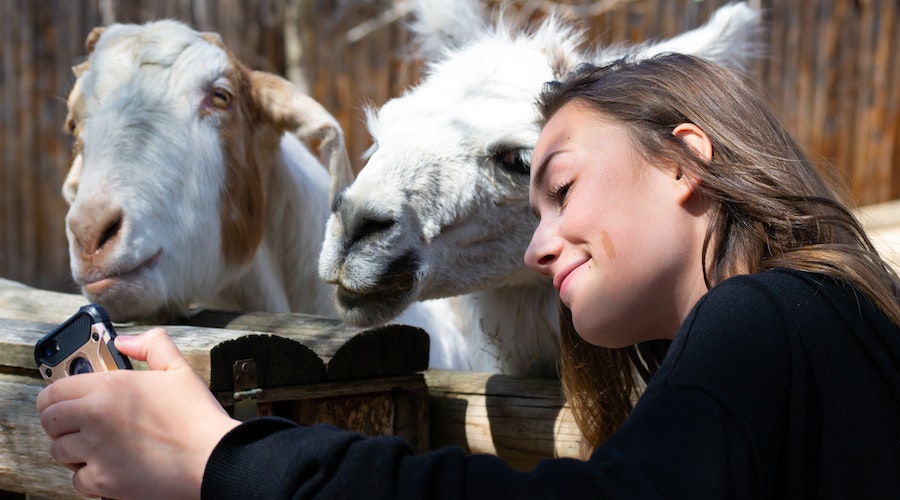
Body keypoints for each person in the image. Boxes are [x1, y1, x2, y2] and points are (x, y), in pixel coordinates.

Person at [36, 53, 900, 499]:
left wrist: (221, 458)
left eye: (558, 186)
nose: (535, 244)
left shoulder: (766, 316)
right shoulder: (832, 327)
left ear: (685, 163)